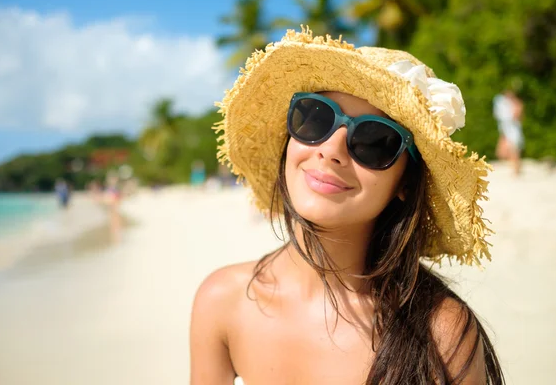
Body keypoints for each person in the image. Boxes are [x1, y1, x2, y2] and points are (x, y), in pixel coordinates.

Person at [191, 28, 504, 384]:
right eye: (316, 118)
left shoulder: (440, 333)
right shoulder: (221, 302)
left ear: (404, 183)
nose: (331, 150)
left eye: (374, 140)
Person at [493, 89, 525, 176]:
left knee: (513, 149)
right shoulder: (505, 102)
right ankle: (516, 169)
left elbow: (516, 116)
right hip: (509, 128)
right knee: (507, 151)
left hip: (512, 128)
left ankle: (516, 169)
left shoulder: (514, 103)